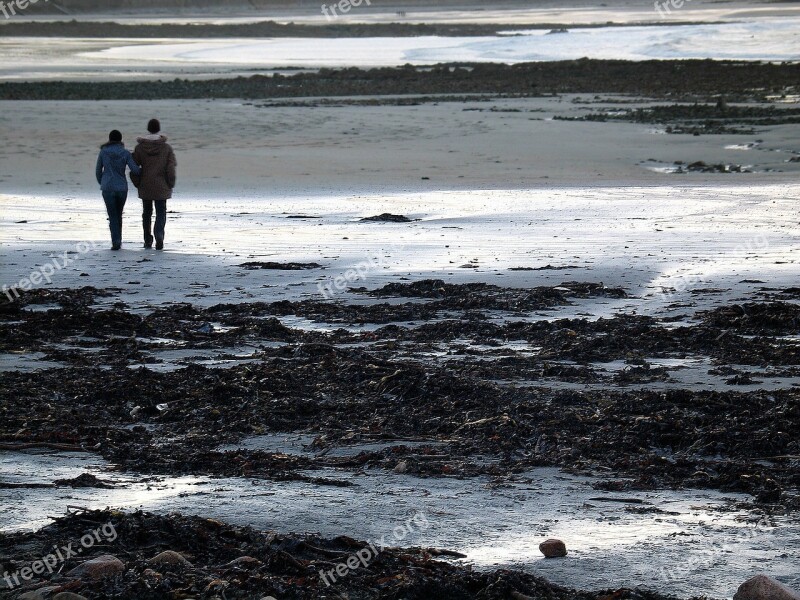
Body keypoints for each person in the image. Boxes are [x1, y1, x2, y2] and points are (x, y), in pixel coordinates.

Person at [132, 118, 177, 250]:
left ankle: (147, 239)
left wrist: (137, 182)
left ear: (148, 129)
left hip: (145, 184)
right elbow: (170, 168)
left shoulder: (140, 148)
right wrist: (171, 183)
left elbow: (134, 168)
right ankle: (159, 236)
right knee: (161, 212)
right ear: (158, 129)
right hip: (162, 185)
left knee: (146, 212)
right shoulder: (166, 148)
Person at [95, 129, 141, 251]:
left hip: (108, 187)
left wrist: (103, 182)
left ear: (109, 139)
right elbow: (135, 170)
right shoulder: (125, 153)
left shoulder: (103, 152)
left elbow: (98, 170)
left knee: (112, 215)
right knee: (119, 214)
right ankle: (118, 240)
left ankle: (116, 241)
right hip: (121, 187)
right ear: (121, 140)